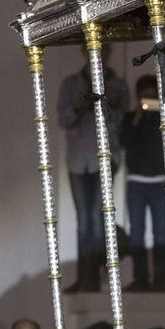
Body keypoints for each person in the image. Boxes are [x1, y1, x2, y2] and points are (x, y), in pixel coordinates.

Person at [57, 44, 129, 293]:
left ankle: (97, 277)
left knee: (99, 218)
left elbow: (120, 121)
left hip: (104, 157)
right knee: (83, 220)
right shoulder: (71, 83)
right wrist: (79, 106)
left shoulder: (117, 84)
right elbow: (63, 119)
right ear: (83, 53)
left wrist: (110, 102)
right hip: (78, 160)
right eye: (89, 51)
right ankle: (84, 276)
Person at [121, 74, 165, 292]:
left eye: (154, 95)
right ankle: (140, 278)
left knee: (161, 232)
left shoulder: (164, 118)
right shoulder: (130, 118)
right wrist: (138, 117)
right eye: (146, 95)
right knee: (137, 232)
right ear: (138, 95)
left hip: (160, 182)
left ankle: (161, 278)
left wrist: (163, 115)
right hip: (137, 182)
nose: (149, 99)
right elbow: (124, 141)